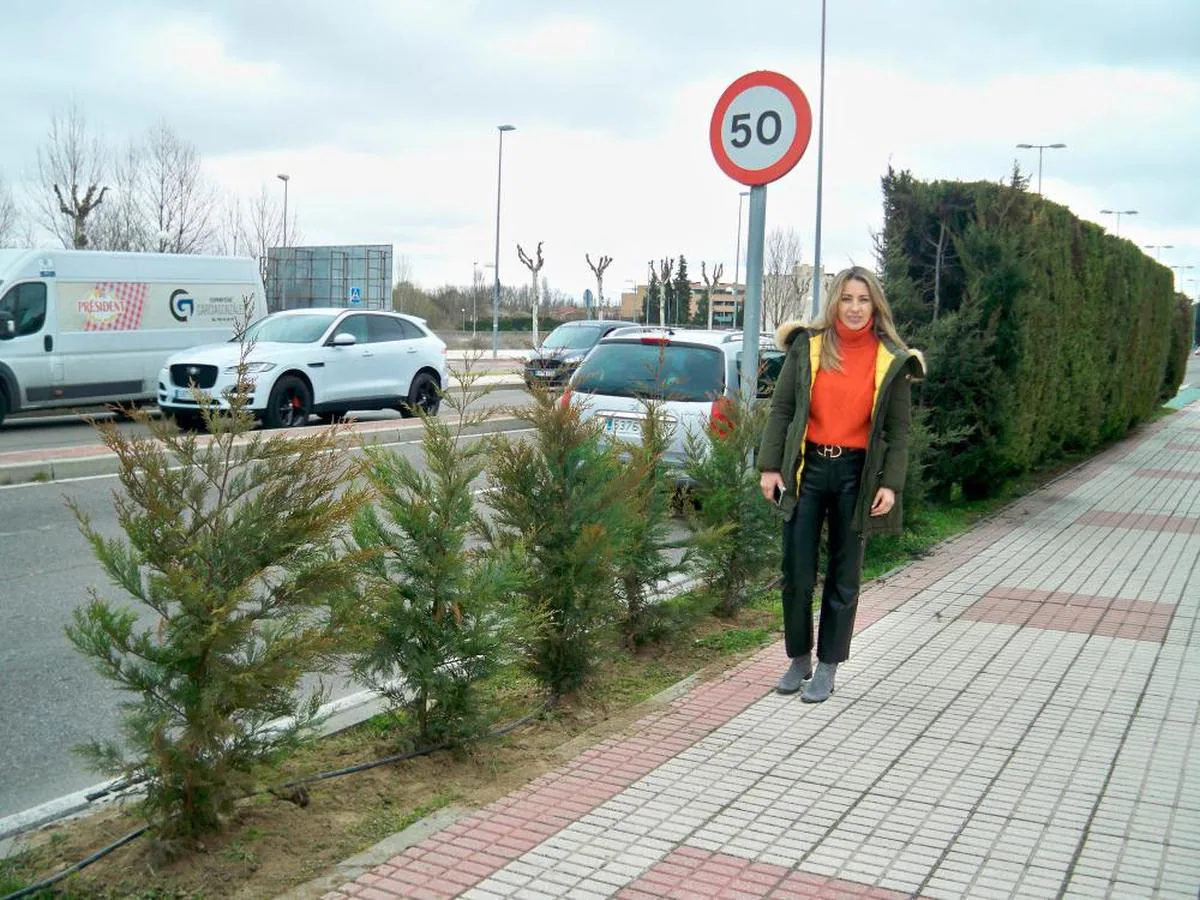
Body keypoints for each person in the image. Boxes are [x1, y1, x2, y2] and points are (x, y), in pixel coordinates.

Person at [757, 266, 924, 703]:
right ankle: (799, 658)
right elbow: (781, 410)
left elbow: (898, 432)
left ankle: (828, 666)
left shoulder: (893, 358)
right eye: (846, 298)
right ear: (834, 301)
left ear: (875, 305)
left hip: (857, 475)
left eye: (863, 299)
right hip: (806, 469)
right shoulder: (807, 347)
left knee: (843, 574)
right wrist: (769, 466)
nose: (854, 308)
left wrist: (891, 483)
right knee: (795, 570)